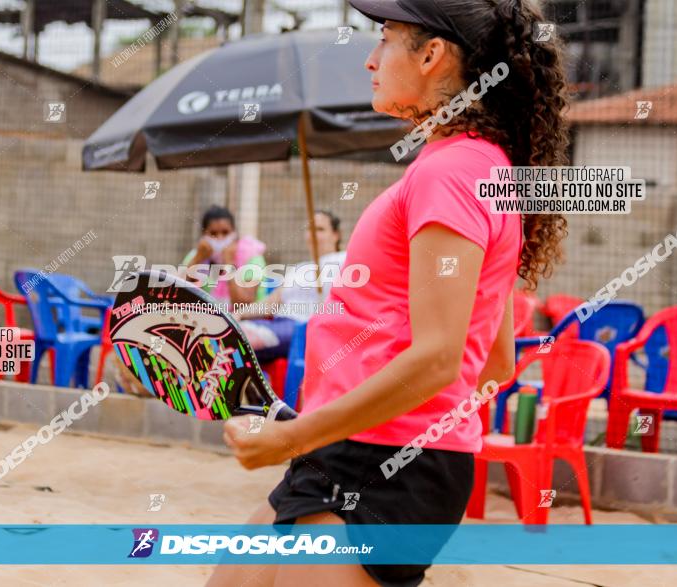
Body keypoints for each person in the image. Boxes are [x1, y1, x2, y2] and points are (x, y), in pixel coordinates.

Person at [208, 0, 570, 585]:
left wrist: (294, 436)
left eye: (386, 39)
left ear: (432, 55)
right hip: (362, 451)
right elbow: (493, 362)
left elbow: (438, 359)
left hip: (381, 462)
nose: (371, 60)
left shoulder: (450, 174)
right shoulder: (478, 166)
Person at [237, 210, 346, 363]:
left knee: (240, 338)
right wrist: (238, 315)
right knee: (229, 333)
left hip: (303, 328)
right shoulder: (298, 269)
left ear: (336, 235)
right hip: (277, 324)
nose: (313, 235)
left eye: (320, 230)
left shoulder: (344, 260)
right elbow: (270, 303)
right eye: (310, 229)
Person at [181, 205, 267, 305]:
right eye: (213, 233)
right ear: (204, 235)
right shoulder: (195, 256)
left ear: (234, 233)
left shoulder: (252, 257)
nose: (220, 238)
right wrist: (196, 260)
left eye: (225, 233)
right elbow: (176, 292)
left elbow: (243, 304)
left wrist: (229, 264)